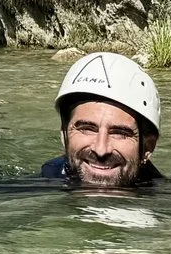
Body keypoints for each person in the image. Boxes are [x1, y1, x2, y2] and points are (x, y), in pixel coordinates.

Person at [42, 51, 163, 191]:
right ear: (64, 134)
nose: (101, 150)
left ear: (148, 147)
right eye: (86, 129)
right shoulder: (45, 181)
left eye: (120, 132)